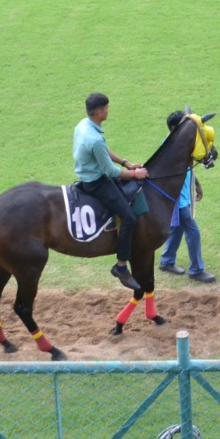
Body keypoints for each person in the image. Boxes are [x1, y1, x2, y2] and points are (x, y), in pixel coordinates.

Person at [73, 92, 149, 292]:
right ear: (98, 112)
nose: (108, 111)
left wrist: (127, 163)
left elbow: (104, 151)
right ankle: (121, 266)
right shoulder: (94, 139)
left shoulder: (84, 125)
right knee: (129, 217)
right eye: (106, 108)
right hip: (96, 182)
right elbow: (111, 172)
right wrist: (136, 173)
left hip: (88, 174)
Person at [157, 111, 216, 283]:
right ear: (175, 128)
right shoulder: (169, 147)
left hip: (182, 194)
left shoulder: (179, 144)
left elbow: (188, 166)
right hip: (177, 198)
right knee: (193, 231)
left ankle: (166, 261)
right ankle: (196, 270)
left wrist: (196, 184)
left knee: (178, 228)